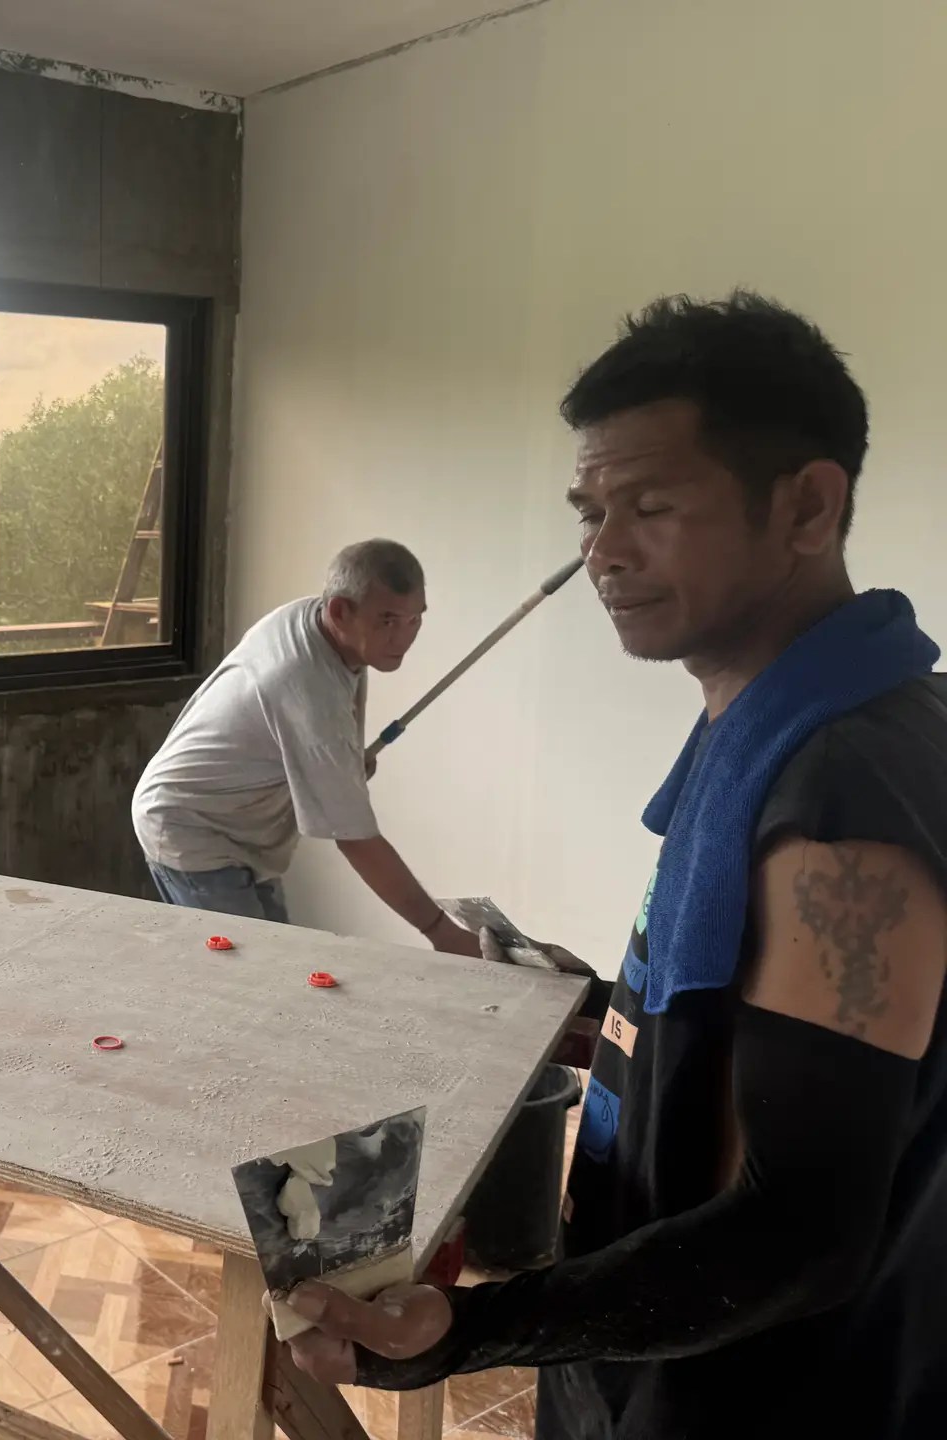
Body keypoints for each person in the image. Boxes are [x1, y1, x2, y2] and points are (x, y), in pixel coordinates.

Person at [280, 294, 947, 1440]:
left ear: (807, 505)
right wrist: (595, 1010)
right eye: (590, 512)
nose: (602, 552)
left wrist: (470, 1331)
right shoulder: (775, 722)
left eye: (651, 506)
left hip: (754, 1402)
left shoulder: (844, 801)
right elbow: (741, 1036)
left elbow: (799, 1233)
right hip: (660, 1357)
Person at [132, 540, 481, 956]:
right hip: (190, 824)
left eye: (414, 619)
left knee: (274, 961)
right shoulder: (307, 690)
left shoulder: (317, 622)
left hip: (244, 828)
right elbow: (355, 839)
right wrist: (441, 931)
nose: (403, 637)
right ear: (340, 611)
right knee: (248, 971)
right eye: (387, 620)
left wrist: (347, 760)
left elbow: (340, 696)